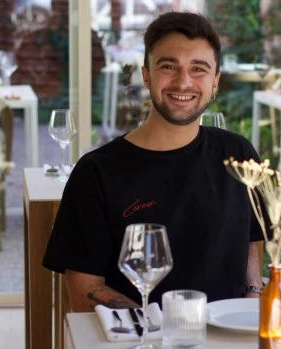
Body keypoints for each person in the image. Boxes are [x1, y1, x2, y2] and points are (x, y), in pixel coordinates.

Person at [43, 12, 264, 312]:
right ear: (146, 75)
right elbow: (85, 291)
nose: (183, 82)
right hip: (140, 341)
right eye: (168, 66)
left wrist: (253, 294)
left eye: (198, 69)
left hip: (231, 333)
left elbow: (252, 236)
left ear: (215, 82)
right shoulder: (96, 173)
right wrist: (162, 331)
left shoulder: (239, 154)